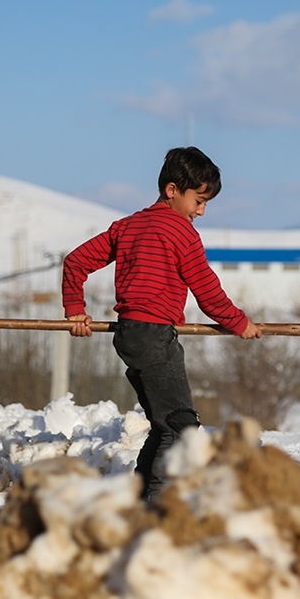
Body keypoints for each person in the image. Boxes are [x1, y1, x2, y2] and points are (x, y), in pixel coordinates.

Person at [61, 146, 262, 503]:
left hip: (129, 335)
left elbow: (75, 262)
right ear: (172, 190)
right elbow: (207, 291)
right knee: (182, 426)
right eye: (198, 201)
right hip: (155, 338)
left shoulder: (127, 226)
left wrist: (76, 308)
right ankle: (156, 508)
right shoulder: (182, 234)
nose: (201, 211)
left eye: (206, 204)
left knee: (164, 424)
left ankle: (141, 496)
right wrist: (239, 322)